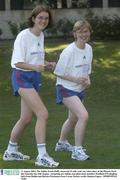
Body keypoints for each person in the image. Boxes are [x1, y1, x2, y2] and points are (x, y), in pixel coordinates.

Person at [3, 5, 59, 168]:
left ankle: (11, 151)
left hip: (34, 78)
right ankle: (42, 156)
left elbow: (36, 60)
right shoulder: (23, 36)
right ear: (33, 18)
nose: (43, 21)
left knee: (26, 118)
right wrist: (36, 67)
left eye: (46, 18)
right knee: (43, 114)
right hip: (22, 77)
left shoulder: (41, 35)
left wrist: (46, 64)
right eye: (40, 17)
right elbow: (17, 62)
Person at [54, 20, 93, 161]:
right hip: (65, 88)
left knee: (73, 118)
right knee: (83, 115)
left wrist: (87, 80)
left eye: (86, 31)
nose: (84, 34)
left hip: (79, 89)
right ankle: (77, 151)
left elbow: (86, 70)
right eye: (80, 31)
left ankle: (61, 143)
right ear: (75, 34)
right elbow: (57, 71)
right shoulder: (69, 51)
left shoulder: (89, 49)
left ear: (90, 32)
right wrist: (75, 80)